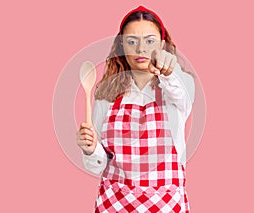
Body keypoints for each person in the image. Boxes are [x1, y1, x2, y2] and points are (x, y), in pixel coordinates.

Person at [76, 5, 195, 212]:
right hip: (114, 203)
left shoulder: (178, 83)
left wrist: (168, 70)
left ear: (163, 44)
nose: (141, 49)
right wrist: (90, 149)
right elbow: (99, 164)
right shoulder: (106, 93)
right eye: (132, 42)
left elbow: (182, 95)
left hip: (165, 203)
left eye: (150, 41)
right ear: (121, 46)